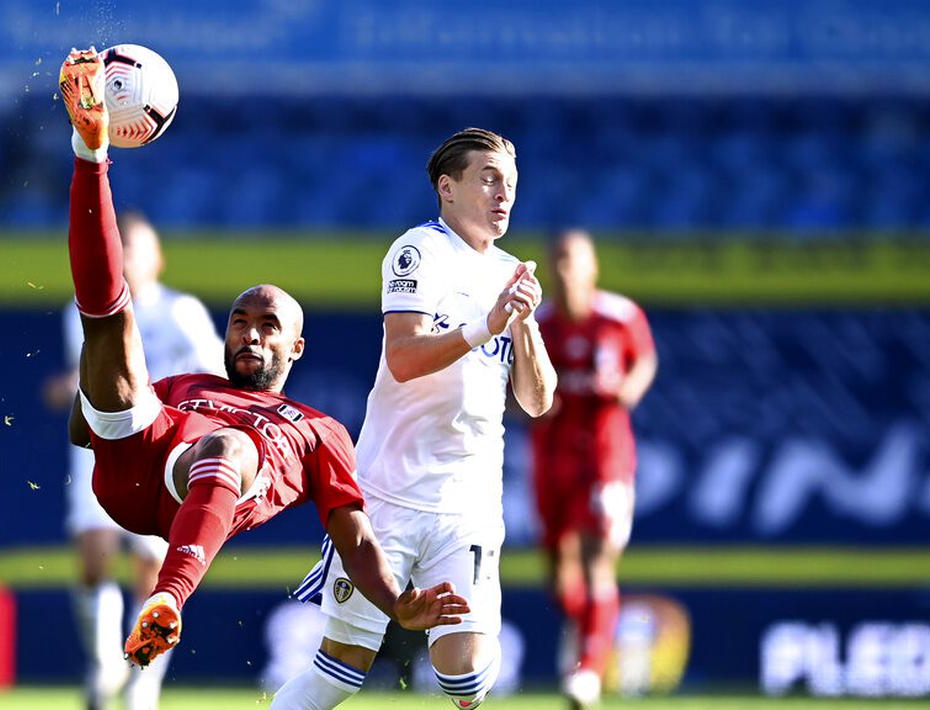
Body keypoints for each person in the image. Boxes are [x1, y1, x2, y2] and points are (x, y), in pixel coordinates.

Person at [56, 46, 470, 674]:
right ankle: (91, 155)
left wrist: (397, 601)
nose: (249, 335)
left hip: (198, 486)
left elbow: (354, 536)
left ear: (296, 347)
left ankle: (167, 601)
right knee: (113, 322)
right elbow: (88, 429)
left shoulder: (318, 430)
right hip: (134, 466)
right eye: (240, 322)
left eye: (268, 326)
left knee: (230, 447)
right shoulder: (188, 382)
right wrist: (99, 394)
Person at [273, 127, 557, 710]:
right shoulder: (419, 251)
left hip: (467, 504)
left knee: (467, 677)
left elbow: (538, 400)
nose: (504, 193)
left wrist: (523, 323)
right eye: (488, 179)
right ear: (446, 188)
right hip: (387, 493)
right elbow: (403, 358)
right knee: (339, 673)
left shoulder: (512, 277)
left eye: (511, 183)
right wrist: (488, 324)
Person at [42, 208, 224, 710]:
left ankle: (142, 680)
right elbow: (90, 378)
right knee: (93, 558)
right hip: (101, 449)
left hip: (161, 455)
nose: (124, 258)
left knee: (152, 574)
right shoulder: (82, 310)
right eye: (118, 247)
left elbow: (214, 374)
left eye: (135, 249)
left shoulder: (180, 312)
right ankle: (104, 666)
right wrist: (71, 388)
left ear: (157, 259)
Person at [529, 229, 657, 710]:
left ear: (592, 267)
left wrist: (631, 386)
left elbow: (644, 359)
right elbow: (515, 390)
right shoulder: (537, 324)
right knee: (559, 573)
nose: (565, 270)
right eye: (557, 260)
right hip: (551, 457)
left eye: (573, 260)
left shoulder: (620, 317)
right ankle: (583, 629)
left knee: (597, 560)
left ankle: (588, 672)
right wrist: (531, 402)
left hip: (605, 455)